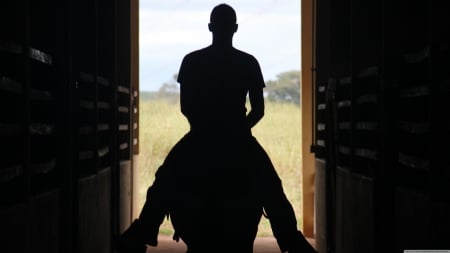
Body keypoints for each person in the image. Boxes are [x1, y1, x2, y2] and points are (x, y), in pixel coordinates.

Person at [116, 4, 317, 253]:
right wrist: (237, 131)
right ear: (235, 29)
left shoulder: (192, 61)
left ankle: (144, 229)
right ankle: (290, 238)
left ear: (210, 27)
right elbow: (258, 110)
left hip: (200, 135)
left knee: (165, 178)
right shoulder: (248, 62)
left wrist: (206, 128)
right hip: (239, 137)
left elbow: (186, 107)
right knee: (269, 183)